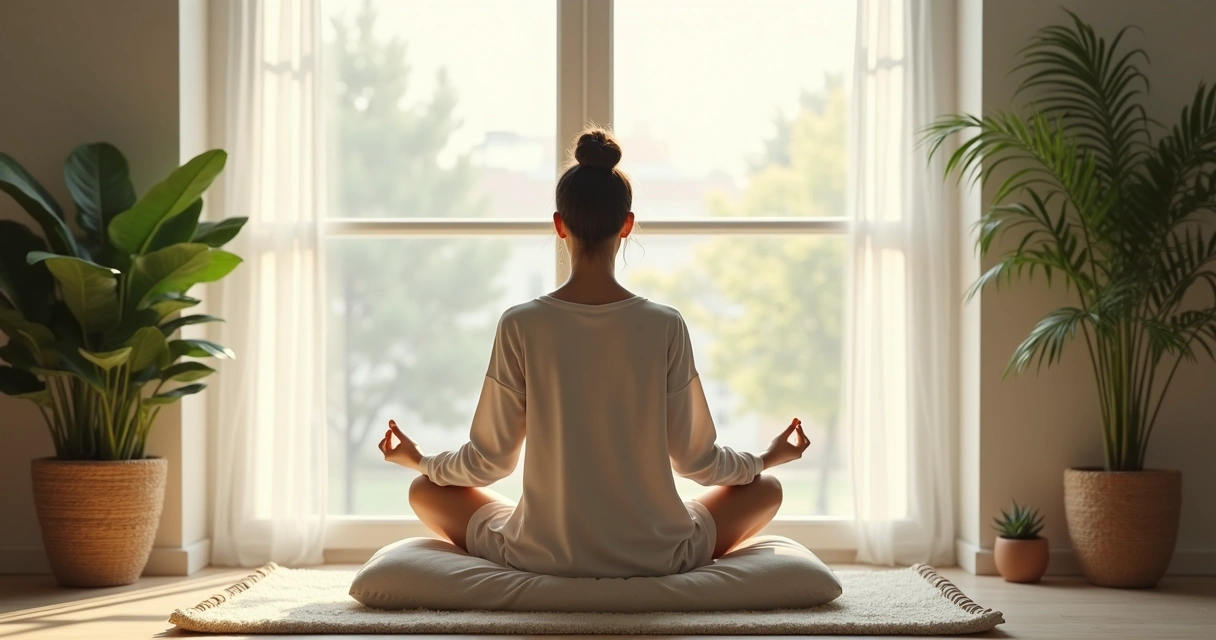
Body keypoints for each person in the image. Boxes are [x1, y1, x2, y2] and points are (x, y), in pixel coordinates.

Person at [377, 127, 810, 579]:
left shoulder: (520, 324)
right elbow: (696, 462)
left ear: (559, 225)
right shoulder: (665, 325)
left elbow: (490, 462)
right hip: (657, 555)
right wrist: (767, 458)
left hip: (542, 553)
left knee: (423, 490)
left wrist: (420, 460)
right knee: (767, 488)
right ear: (627, 225)